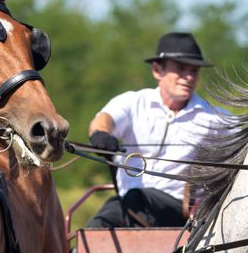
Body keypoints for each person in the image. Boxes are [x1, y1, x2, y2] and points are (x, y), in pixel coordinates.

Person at [86, 32, 225, 228]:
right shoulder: (133, 102)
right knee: (103, 222)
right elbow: (104, 119)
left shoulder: (214, 119)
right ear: (157, 70)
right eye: (181, 69)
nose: (188, 77)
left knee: (133, 200)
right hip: (127, 206)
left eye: (193, 71)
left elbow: (247, 144)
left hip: (179, 211)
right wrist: (101, 134)